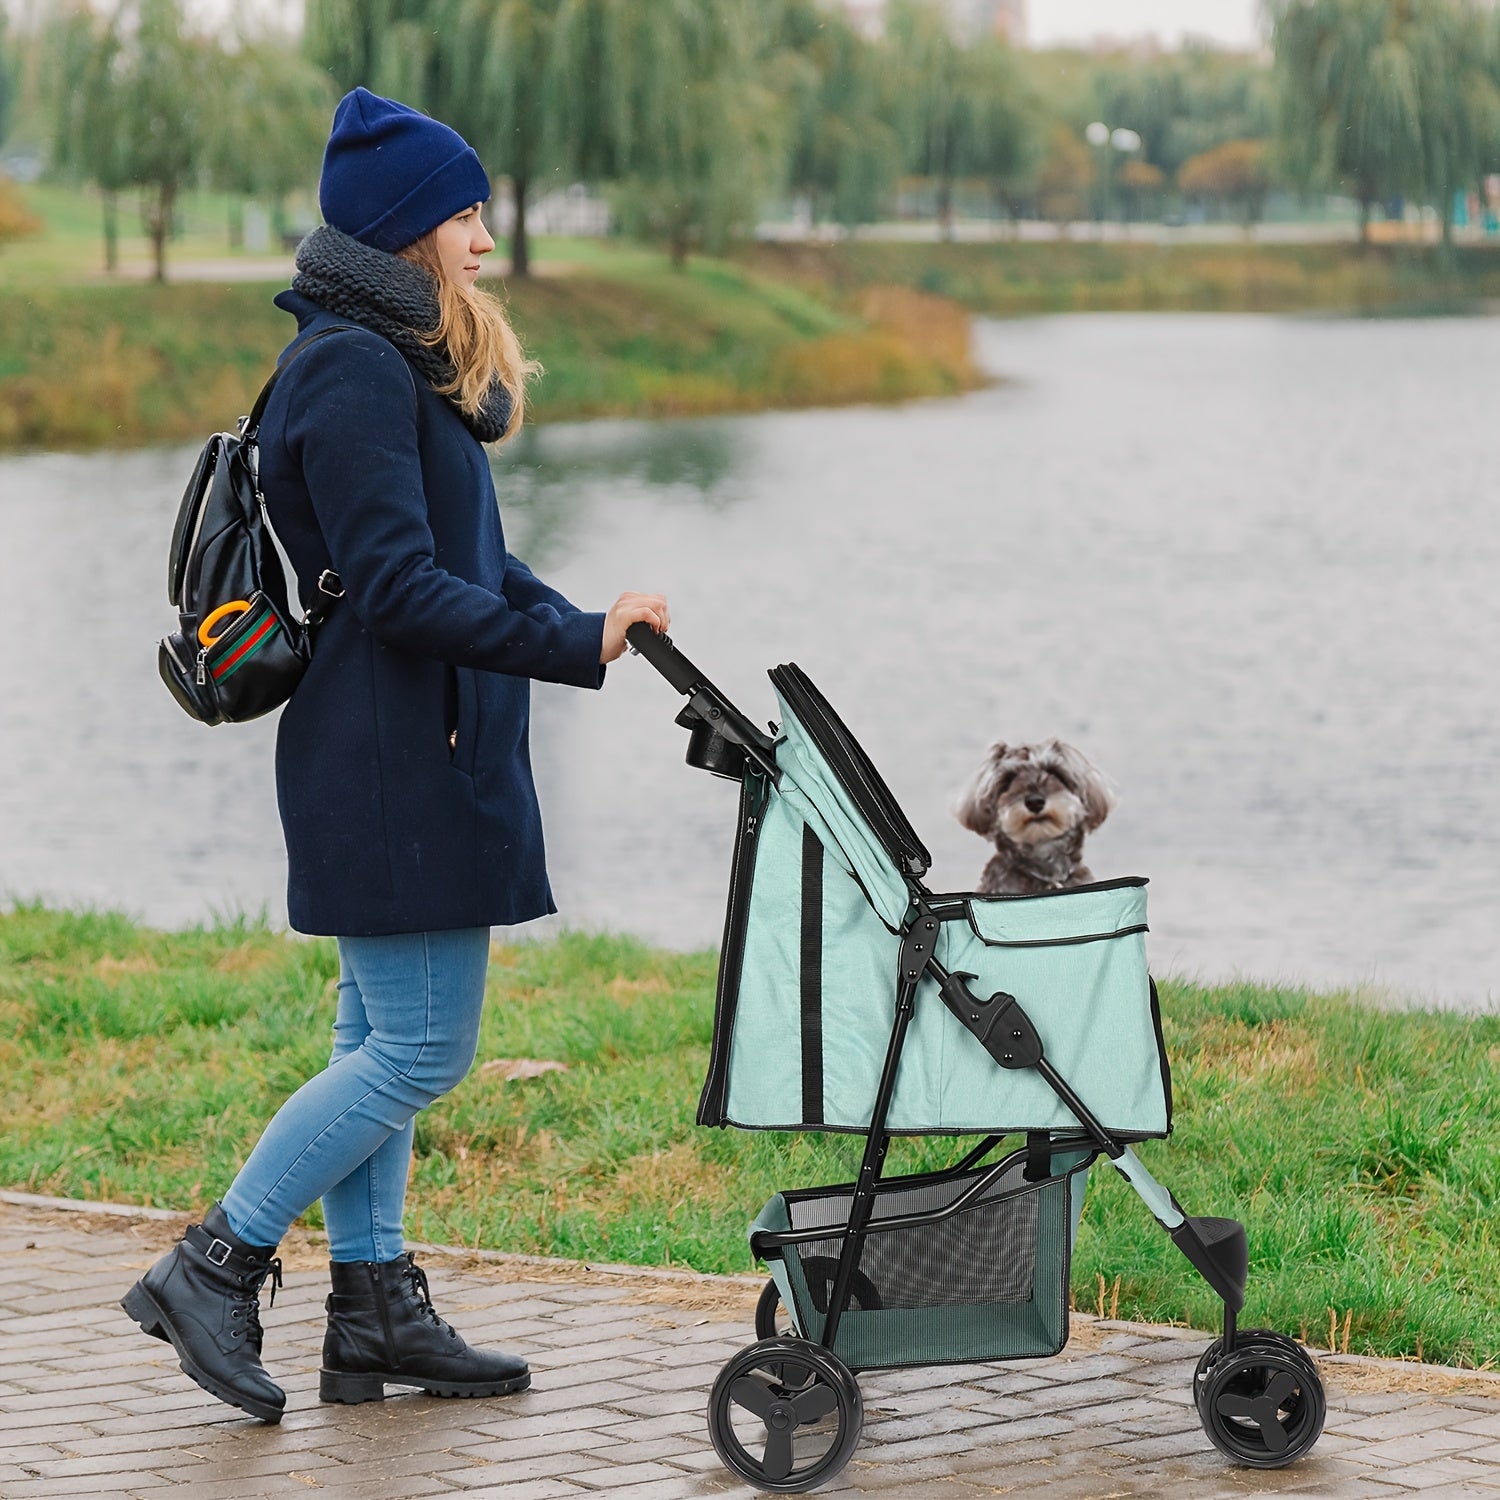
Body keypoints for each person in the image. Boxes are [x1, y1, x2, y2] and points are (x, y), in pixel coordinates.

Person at [121, 87, 670, 1424]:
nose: (484, 239)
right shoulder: (352, 369)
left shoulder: (379, 357)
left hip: (409, 742)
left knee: (382, 1035)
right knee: (420, 1053)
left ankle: (371, 1315)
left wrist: (585, 627)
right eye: (466, 214)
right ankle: (215, 1263)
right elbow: (403, 592)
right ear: (411, 229)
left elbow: (471, 565)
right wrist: (564, 645)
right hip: (392, 754)